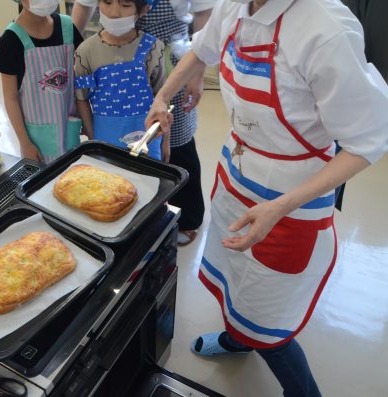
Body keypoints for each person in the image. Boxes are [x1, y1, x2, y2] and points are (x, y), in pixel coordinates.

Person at [146, 0, 388, 396]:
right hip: (238, 175)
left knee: (267, 316)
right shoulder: (234, 6)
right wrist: (162, 96)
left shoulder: (326, 29)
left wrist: (281, 206)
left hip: (291, 198)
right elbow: (200, 51)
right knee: (235, 278)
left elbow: (367, 143)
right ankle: (239, 338)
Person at [73, 0, 216, 245]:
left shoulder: (154, 49)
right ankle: (125, 213)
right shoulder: (90, 50)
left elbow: (204, 14)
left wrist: (197, 72)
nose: (115, 10)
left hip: (173, 58)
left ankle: (186, 217)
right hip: (109, 56)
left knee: (176, 142)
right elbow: (82, 10)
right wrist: (73, 50)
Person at [0, 0, 85, 163]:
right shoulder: (11, 40)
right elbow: (10, 98)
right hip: (37, 141)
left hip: (69, 128)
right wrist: (25, 143)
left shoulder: (67, 27)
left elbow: (82, 81)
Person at [73, 0, 168, 161]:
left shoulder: (152, 48)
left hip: (147, 137)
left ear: (143, 9)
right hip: (104, 137)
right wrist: (92, 137)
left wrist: (165, 141)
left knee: (148, 180)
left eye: (125, 5)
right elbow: (81, 98)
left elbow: (162, 98)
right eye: (107, 2)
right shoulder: (86, 51)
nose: (114, 13)